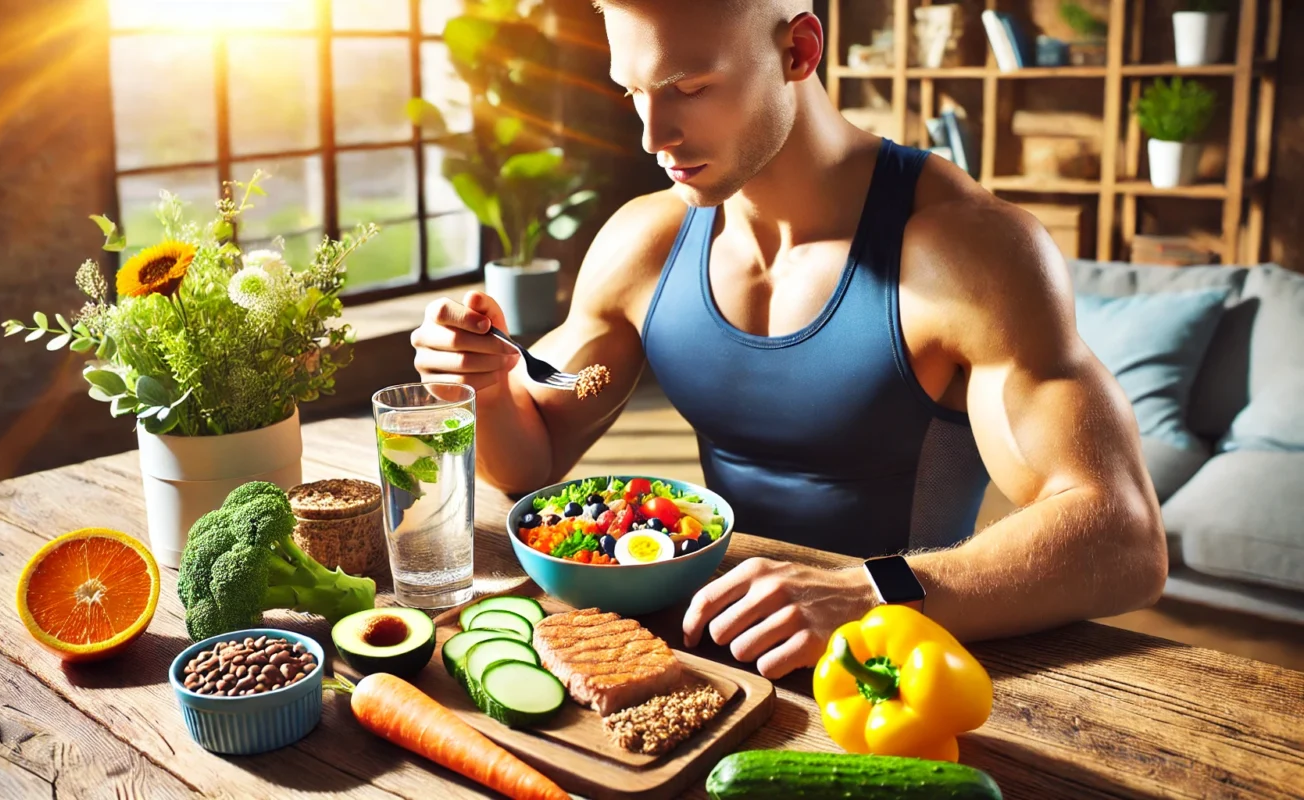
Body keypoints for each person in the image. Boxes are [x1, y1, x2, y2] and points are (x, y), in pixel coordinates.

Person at [410, 0, 1168, 678]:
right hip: (711, 648)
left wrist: (872, 591)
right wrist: (481, 383)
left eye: (690, 87)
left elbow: (1122, 537)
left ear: (799, 51)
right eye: (635, 92)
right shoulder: (647, 241)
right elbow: (531, 460)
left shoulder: (966, 251)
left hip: (897, 663)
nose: (653, 135)